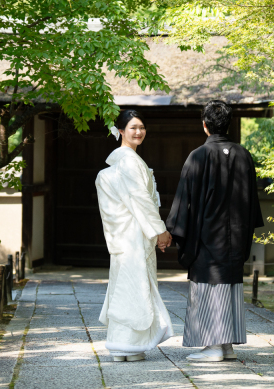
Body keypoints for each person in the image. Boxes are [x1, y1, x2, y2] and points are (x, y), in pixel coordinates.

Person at [163, 100, 264, 362]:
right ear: (228, 124)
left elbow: (183, 201)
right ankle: (226, 345)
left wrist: (171, 231)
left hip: (206, 236)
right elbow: (252, 203)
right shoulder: (244, 155)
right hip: (236, 236)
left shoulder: (198, 156)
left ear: (205, 125)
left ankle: (213, 346)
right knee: (229, 286)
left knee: (209, 286)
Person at [95, 109, 174, 362]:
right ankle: (128, 346)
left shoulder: (123, 162)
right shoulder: (129, 161)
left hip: (124, 235)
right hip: (134, 235)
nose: (138, 132)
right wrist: (160, 230)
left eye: (141, 127)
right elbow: (141, 200)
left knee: (125, 286)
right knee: (135, 287)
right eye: (133, 128)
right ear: (121, 131)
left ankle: (121, 346)